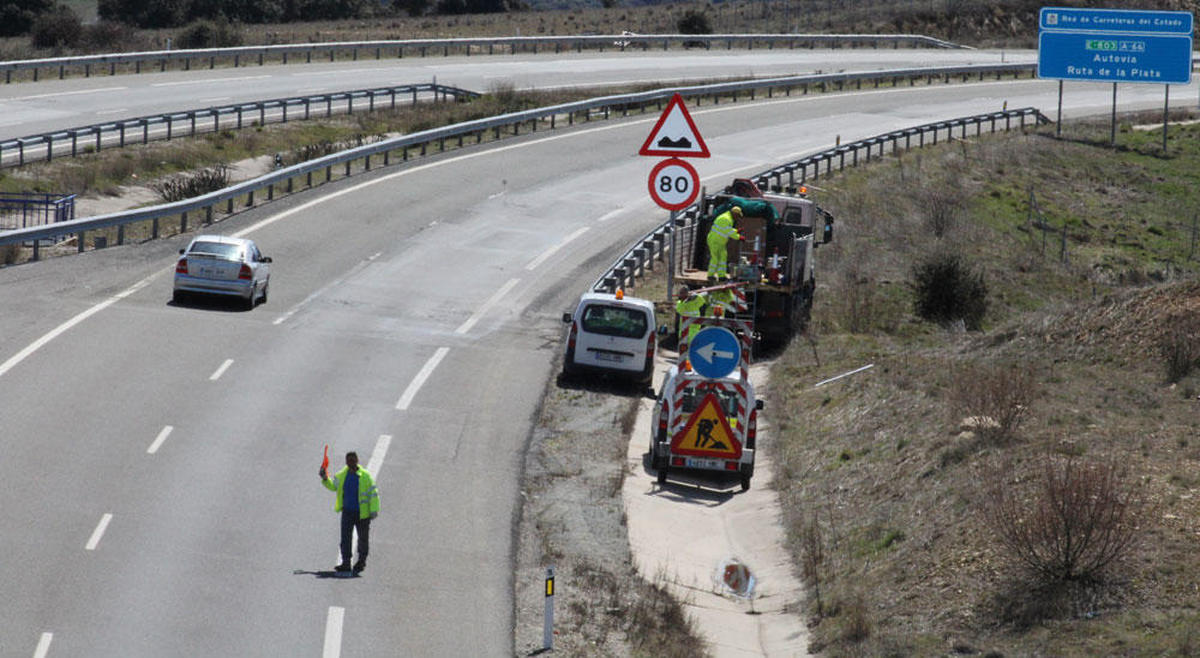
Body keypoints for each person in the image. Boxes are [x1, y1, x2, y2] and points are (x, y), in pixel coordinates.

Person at [320, 451, 380, 574]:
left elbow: (374, 495)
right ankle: (346, 562)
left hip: (362, 514)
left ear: (357, 460)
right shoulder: (342, 475)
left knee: (363, 539)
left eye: (352, 460)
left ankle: (361, 561)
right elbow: (333, 486)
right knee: (345, 538)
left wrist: (374, 510)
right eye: (348, 461)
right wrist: (325, 478)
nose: (350, 462)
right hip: (347, 512)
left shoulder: (365, 476)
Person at [707, 206, 744, 281]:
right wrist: (739, 237)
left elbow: (726, 229)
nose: (738, 218)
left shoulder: (728, 218)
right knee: (715, 259)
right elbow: (727, 231)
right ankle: (710, 275)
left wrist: (736, 231)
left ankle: (721, 276)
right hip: (715, 241)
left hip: (720, 242)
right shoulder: (725, 218)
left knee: (723, 258)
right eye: (738, 216)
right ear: (734, 214)